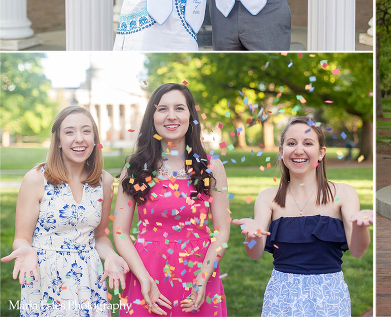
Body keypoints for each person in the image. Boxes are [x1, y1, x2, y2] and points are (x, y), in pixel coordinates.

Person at [232, 117, 372, 316]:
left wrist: (360, 226)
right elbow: (254, 254)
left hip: (328, 297)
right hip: (282, 297)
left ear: (321, 152)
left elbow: (358, 251)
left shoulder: (344, 194)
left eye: (307, 143)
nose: (298, 150)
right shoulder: (267, 197)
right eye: (291, 143)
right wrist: (251, 236)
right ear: (281, 152)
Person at [113, 83, 230, 315]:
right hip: (146, 273)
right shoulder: (135, 168)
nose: (171, 116)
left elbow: (222, 231)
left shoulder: (211, 168)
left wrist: (202, 277)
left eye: (179, 108)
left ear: (190, 116)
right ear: (152, 117)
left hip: (198, 274)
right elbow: (120, 233)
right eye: (162, 109)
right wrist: (143, 278)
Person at [1, 106, 129, 316]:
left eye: (86, 131)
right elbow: (21, 238)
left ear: (95, 138)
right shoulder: (35, 179)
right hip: (47, 277)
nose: (79, 138)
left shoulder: (104, 181)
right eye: (69, 132)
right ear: (58, 140)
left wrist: (112, 255)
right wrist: (27, 250)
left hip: (89, 278)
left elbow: (100, 237)